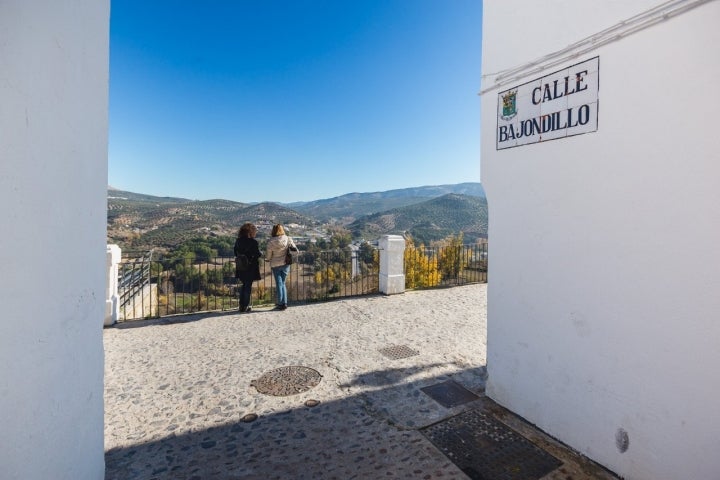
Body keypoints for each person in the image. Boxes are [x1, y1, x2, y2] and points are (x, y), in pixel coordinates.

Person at [265, 224, 297, 310]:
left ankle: (280, 303)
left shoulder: (271, 242)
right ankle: (284, 303)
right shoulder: (288, 239)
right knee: (283, 283)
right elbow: (295, 249)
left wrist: (267, 259)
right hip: (286, 263)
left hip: (275, 264)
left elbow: (268, 255)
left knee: (279, 284)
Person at [234, 222, 262, 312]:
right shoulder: (253, 242)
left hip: (241, 267)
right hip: (250, 267)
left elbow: (235, 253)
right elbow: (257, 254)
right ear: (251, 232)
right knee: (248, 286)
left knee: (244, 285)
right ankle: (245, 306)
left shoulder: (238, 241)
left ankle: (241, 305)